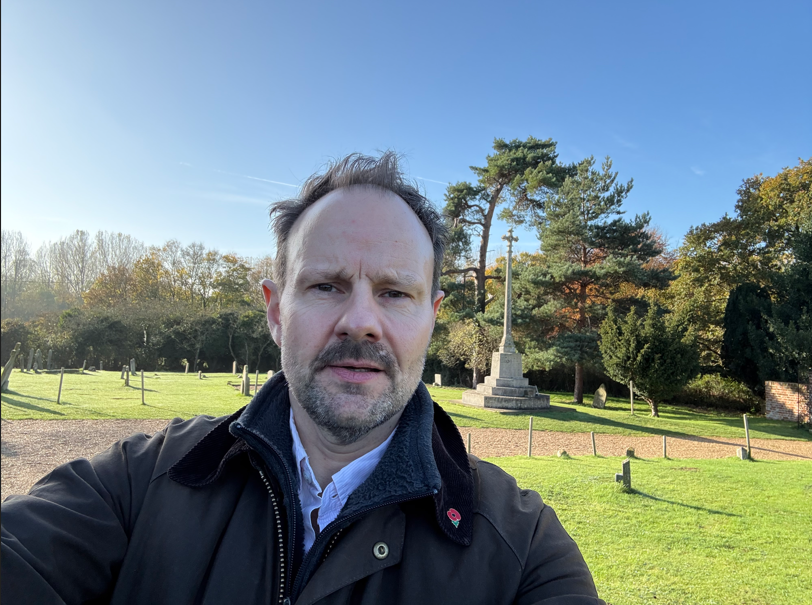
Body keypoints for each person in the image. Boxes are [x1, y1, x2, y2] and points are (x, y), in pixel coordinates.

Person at [1, 153, 606, 604]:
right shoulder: (141, 483)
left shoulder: (521, 548)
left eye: (395, 293)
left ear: (431, 318)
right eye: (326, 286)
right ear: (274, 309)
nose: (361, 321)